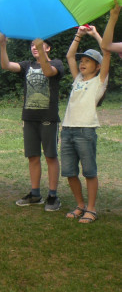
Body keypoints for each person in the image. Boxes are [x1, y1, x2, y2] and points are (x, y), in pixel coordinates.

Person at [0, 35, 64, 211]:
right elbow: (6, 65)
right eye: (32, 45)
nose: (34, 47)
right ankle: (35, 194)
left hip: (48, 118)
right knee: (33, 156)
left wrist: (41, 50)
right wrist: (3, 45)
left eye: (39, 45)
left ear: (47, 48)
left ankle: (52, 195)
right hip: (29, 118)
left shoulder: (57, 64)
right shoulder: (27, 65)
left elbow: (48, 72)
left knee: (50, 156)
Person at [61, 25, 110, 224]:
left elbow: (106, 52)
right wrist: (78, 35)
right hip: (67, 130)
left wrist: (95, 34)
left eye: (88, 61)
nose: (82, 63)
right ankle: (80, 205)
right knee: (70, 171)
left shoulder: (99, 81)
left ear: (98, 66)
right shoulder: (77, 80)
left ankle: (91, 208)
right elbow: (69, 56)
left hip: (85, 131)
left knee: (89, 171)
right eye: (82, 60)